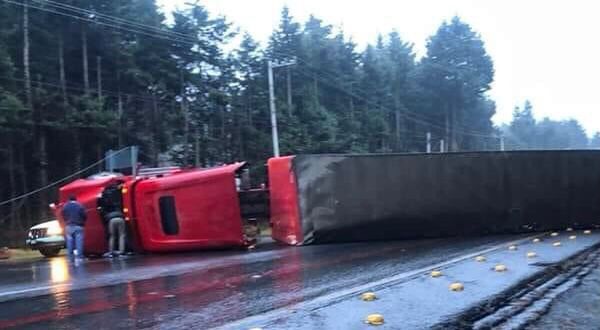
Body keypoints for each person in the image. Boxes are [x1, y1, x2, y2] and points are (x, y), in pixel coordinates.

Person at [97, 181, 126, 257]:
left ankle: (111, 251)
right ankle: (121, 251)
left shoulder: (105, 195)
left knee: (112, 236)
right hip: (120, 217)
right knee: (122, 235)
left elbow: (101, 207)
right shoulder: (118, 194)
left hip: (111, 219)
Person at [62, 195, 87, 261]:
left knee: (69, 242)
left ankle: (70, 257)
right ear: (76, 200)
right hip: (78, 226)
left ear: (69, 200)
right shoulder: (79, 205)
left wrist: (66, 221)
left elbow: (63, 214)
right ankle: (80, 257)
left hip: (69, 226)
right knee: (79, 242)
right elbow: (84, 215)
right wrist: (83, 222)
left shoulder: (65, 206)